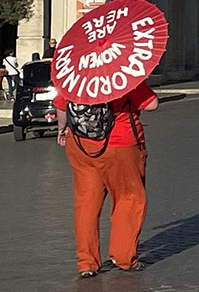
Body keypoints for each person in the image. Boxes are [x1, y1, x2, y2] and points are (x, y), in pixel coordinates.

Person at [54, 81, 158, 278]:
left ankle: (87, 262)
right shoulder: (124, 75)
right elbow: (151, 104)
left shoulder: (76, 76)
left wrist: (62, 130)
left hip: (80, 143)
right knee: (129, 198)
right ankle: (124, 257)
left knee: (86, 203)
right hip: (120, 143)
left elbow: (61, 106)